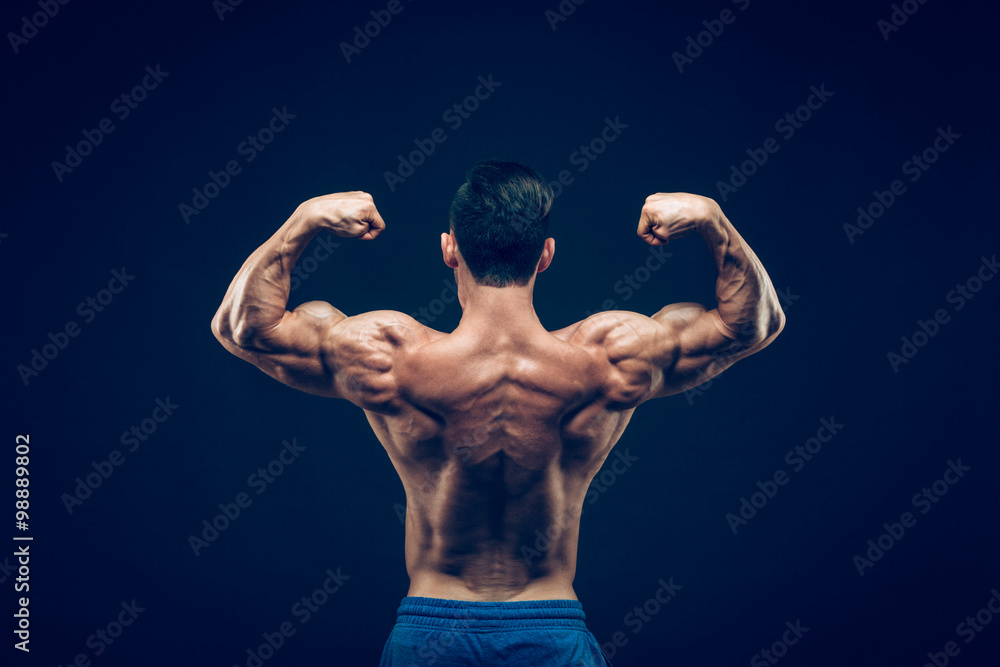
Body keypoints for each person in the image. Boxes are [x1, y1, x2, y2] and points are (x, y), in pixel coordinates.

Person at [211, 160, 785, 666]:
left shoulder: (386, 357)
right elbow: (753, 324)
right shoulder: (613, 357)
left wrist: (302, 222)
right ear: (546, 254)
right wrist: (713, 221)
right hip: (550, 631)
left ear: (449, 249)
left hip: (431, 632)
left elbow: (242, 328)